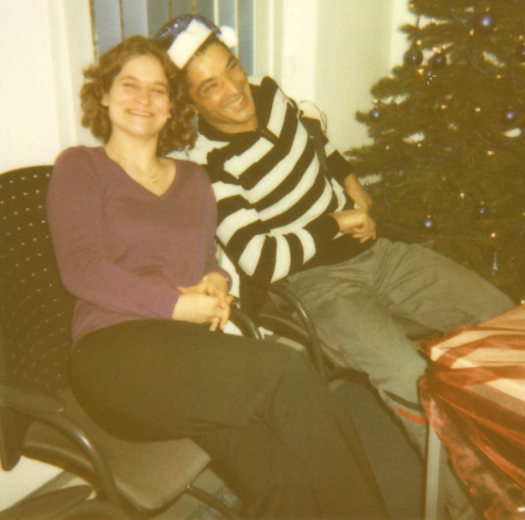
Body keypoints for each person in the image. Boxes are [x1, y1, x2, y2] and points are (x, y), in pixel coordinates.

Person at [155, 14, 516, 519]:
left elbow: (318, 142)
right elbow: (261, 262)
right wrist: (333, 224)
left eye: (230, 66)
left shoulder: (269, 95)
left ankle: (520, 454)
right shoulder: (208, 167)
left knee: (502, 315)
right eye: (210, 86)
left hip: (379, 253)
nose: (234, 89)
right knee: (409, 376)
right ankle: (469, 505)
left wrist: (352, 186)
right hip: (318, 284)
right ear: (191, 105)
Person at [46, 35, 390, 520]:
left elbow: (205, 256)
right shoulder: (81, 167)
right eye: (129, 85)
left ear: (173, 106)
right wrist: (175, 305)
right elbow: (81, 268)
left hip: (189, 357)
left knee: (282, 477)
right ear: (103, 94)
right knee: (287, 373)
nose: (144, 98)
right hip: (114, 356)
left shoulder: (193, 179)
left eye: (158, 89)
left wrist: (216, 281)